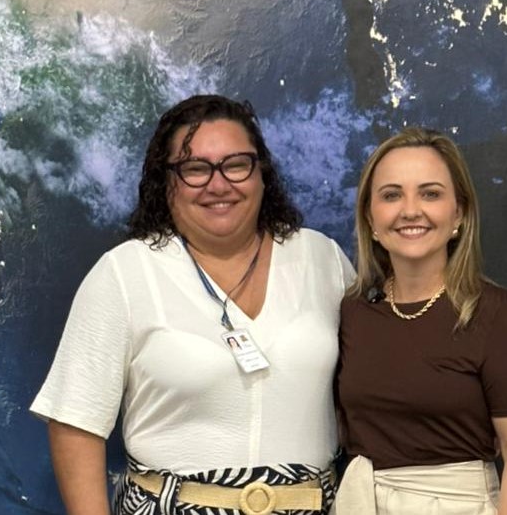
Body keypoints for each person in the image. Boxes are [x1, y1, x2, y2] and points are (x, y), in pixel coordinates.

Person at [31, 95, 355, 515]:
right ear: (165, 182)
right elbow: (76, 423)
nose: (218, 185)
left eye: (236, 164)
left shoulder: (322, 259)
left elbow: (367, 393)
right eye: (195, 169)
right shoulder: (124, 273)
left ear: (261, 172)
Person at [334, 128, 507, 515]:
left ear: (458, 213)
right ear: (370, 216)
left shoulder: (497, 315)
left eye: (430, 194)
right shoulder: (354, 312)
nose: (410, 210)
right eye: (391, 195)